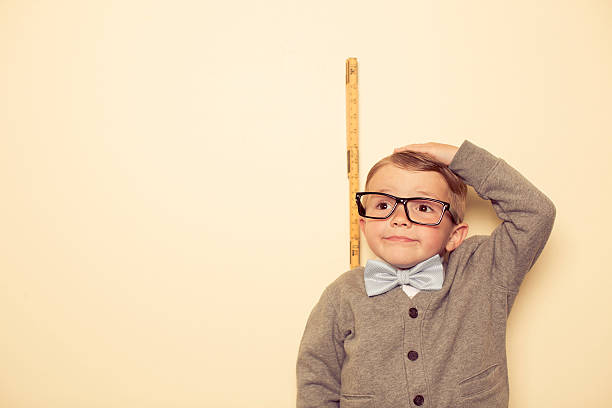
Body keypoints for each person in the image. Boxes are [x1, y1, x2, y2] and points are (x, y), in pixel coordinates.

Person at [296, 140, 555, 408]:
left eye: (422, 207)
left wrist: (459, 158)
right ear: (364, 225)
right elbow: (316, 382)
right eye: (384, 206)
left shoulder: (484, 270)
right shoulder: (342, 294)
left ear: (455, 235)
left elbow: (536, 213)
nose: (400, 218)